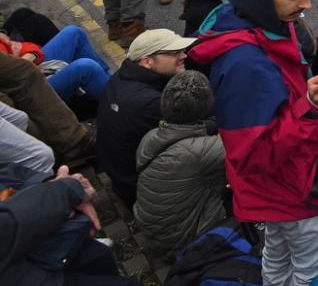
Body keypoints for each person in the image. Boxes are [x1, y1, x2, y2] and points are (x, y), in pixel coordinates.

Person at [192, 0, 318, 285]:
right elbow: (254, 154)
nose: (306, 5)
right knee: (316, 270)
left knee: (276, 255)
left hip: (278, 190)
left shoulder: (261, 25)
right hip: (296, 189)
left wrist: (304, 95)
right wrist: (309, 109)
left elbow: (273, 107)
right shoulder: (246, 63)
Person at [134, 70, 228, 262]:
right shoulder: (199, 152)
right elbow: (252, 143)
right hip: (182, 245)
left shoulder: (151, 136)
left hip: (156, 233)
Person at [96, 29, 194, 208]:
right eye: (174, 53)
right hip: (140, 192)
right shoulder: (150, 103)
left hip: (121, 176)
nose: (183, 55)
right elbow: (194, 133)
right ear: (147, 61)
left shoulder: (122, 77)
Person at [0, 165, 135, 285]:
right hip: (19, 273)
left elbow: (8, 173)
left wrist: (47, 183)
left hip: (42, 244)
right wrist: (64, 190)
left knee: (100, 256)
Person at [3, 24, 110, 103]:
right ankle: (116, 103)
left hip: (30, 67)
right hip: (27, 91)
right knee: (85, 67)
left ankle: (110, 82)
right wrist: (24, 65)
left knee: (73, 32)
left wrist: (31, 55)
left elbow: (28, 47)